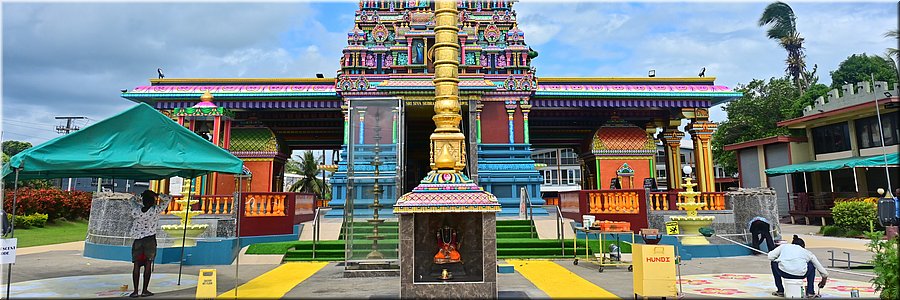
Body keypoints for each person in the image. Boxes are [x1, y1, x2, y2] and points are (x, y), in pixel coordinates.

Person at [128, 190, 172, 298]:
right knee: (148, 263)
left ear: (143, 200)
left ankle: (135, 291)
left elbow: (131, 200)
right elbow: (168, 199)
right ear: (153, 201)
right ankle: (144, 290)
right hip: (150, 239)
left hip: (137, 239)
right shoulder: (155, 210)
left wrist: (140, 195)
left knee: (136, 264)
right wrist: (158, 195)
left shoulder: (136, 210)